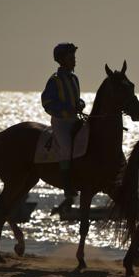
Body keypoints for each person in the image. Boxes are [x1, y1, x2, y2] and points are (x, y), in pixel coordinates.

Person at [41, 42, 86, 211]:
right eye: (71, 57)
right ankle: (67, 185)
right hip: (61, 122)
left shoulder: (74, 79)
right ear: (61, 59)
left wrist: (80, 103)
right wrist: (67, 109)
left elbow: (76, 99)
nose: (74, 59)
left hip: (75, 119)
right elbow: (47, 102)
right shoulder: (54, 80)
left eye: (74, 56)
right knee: (66, 148)